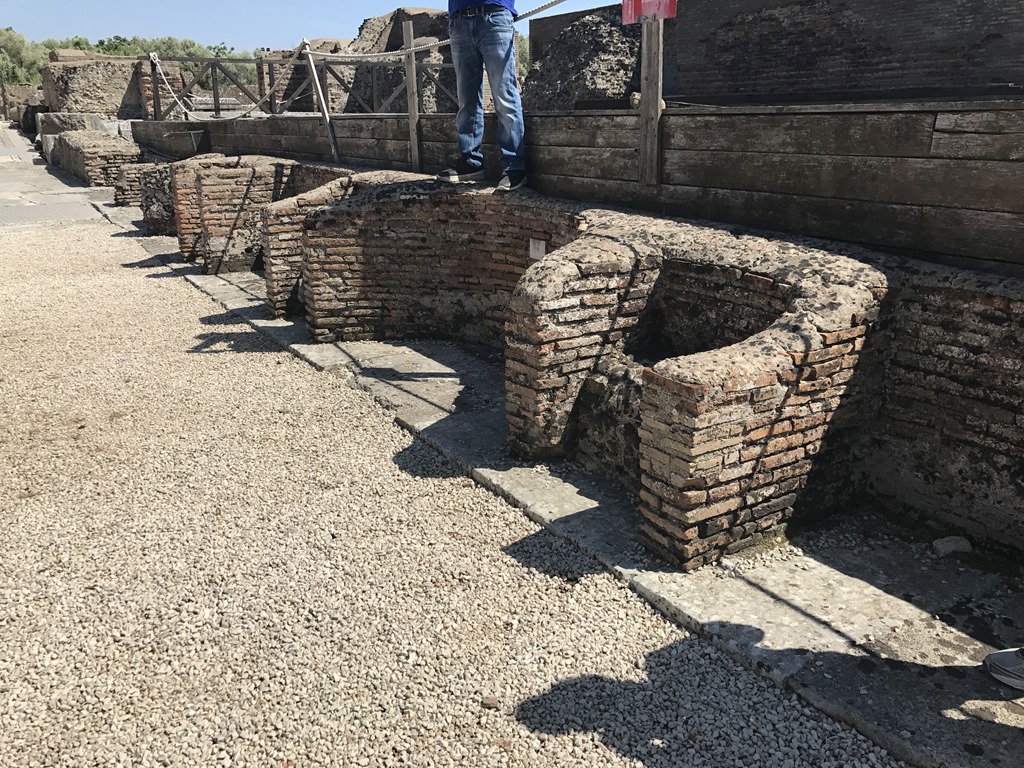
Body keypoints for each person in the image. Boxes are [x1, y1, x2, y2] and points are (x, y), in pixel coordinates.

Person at [439, 0, 527, 192]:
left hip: (494, 13)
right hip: (459, 20)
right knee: (466, 99)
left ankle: (514, 166)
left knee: (504, 95)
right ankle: (470, 163)